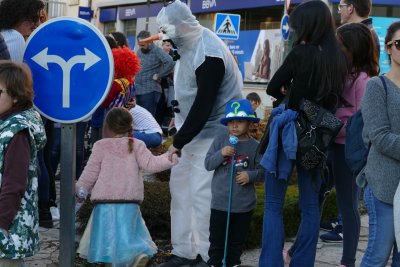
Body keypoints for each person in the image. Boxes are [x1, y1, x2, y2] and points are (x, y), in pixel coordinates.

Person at [146, 1, 243, 266]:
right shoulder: (186, 46)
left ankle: (205, 253)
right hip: (191, 132)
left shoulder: (209, 52)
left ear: (184, 26)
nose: (169, 39)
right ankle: (184, 250)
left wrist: (177, 141)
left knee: (202, 195)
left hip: (213, 134)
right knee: (181, 191)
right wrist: (181, 136)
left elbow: (203, 106)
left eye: (171, 33)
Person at [259, 1, 347, 266]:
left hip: (288, 131)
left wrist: (290, 90)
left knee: (274, 203)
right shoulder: (339, 57)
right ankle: (303, 262)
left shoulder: (300, 53)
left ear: (307, 25)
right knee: (310, 206)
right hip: (317, 138)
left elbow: (273, 87)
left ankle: (271, 262)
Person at [76, 107, 178, 267]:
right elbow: (152, 164)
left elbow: (90, 173)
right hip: (130, 200)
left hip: (104, 203)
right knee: (128, 236)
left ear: (107, 125)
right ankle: (137, 255)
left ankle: (117, 262)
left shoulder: (100, 146)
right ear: (131, 125)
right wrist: (171, 156)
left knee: (108, 243)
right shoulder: (137, 145)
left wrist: (81, 190)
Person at [319, 23, 379, 267]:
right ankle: (299, 249)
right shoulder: (341, 72)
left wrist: (330, 124)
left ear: (354, 48)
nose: (337, 49)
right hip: (329, 145)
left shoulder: (363, 80)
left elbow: (360, 123)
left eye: (342, 45)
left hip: (347, 150)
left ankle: (348, 261)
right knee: (315, 198)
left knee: (347, 204)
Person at [359, 20, 400, 267]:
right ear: (388, 48)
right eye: (399, 44)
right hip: (383, 184)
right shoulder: (377, 86)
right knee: (378, 254)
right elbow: (380, 136)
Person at [205, 99, 264, 267]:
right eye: (231, 121)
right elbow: (208, 164)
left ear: (250, 122)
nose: (234, 125)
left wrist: (250, 176)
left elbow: (263, 172)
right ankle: (215, 264)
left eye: (240, 121)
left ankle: (233, 264)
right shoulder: (220, 140)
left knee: (235, 244)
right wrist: (221, 154)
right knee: (216, 242)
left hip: (243, 206)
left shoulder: (255, 147)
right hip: (220, 203)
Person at [0, 61, 46, 266]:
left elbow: (15, 183)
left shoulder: (16, 131)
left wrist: (2, 224)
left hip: (9, 230)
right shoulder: (4, 124)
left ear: (16, 96)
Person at [135, 30, 175, 116]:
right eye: (139, 44)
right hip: (138, 90)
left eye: (143, 45)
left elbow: (170, 62)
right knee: (138, 118)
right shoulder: (139, 51)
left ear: (150, 42)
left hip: (150, 90)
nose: (141, 47)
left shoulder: (157, 50)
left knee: (147, 118)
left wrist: (159, 75)